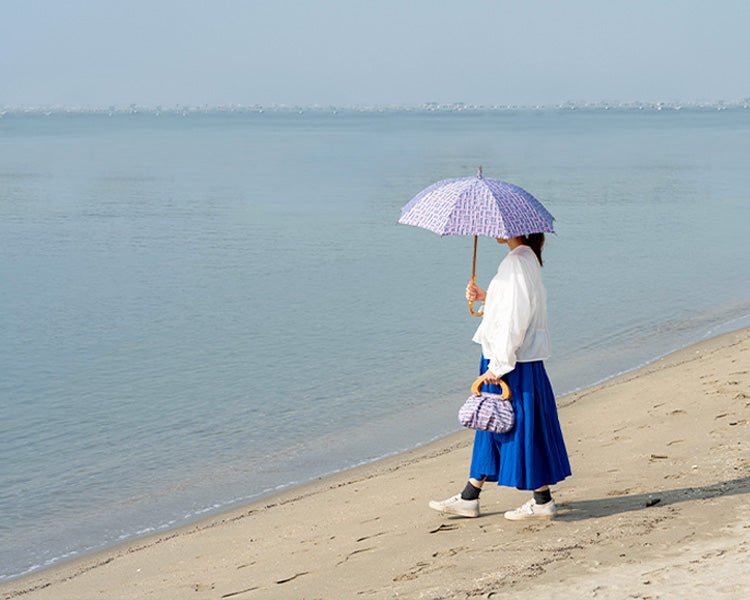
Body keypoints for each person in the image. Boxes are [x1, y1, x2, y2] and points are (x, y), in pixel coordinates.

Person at [429, 233, 571, 520]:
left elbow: (515, 317)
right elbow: (513, 304)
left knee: (518, 426)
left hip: (511, 361)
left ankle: (542, 501)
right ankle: (471, 495)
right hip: (513, 358)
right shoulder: (523, 258)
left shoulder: (517, 261)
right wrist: (486, 296)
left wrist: (499, 364)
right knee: (492, 424)